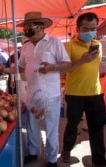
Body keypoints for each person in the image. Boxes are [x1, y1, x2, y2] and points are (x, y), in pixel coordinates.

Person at [18, 11, 71, 167]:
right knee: (32, 127)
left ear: (40, 26)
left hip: (51, 97)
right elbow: (20, 67)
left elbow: (67, 64)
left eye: (30, 26)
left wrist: (52, 67)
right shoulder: (26, 46)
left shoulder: (54, 42)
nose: (27, 29)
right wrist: (7, 70)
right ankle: (33, 153)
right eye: (25, 27)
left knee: (51, 129)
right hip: (32, 96)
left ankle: (52, 159)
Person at [60, 12, 106, 167]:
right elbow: (64, 69)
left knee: (97, 127)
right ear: (78, 29)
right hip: (74, 93)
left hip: (95, 92)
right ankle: (67, 150)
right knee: (72, 125)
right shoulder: (68, 46)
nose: (90, 32)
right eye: (86, 29)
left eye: (93, 29)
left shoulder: (98, 45)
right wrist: (82, 60)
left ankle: (99, 159)